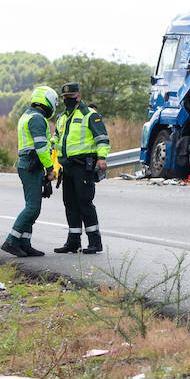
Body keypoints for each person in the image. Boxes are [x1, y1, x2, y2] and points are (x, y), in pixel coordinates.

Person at [52, 82, 110, 254]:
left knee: (85, 203)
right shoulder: (62, 118)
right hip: (67, 167)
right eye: (64, 98)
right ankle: (73, 242)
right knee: (69, 204)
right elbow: (57, 138)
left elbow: (102, 139)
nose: (67, 100)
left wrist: (101, 158)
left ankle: (95, 242)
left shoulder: (90, 115)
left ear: (79, 96)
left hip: (83, 166)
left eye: (70, 97)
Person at [1, 86, 58, 258]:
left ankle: (25, 243)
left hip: (29, 164)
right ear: (47, 100)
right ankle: (11, 240)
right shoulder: (37, 119)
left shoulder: (27, 115)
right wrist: (50, 169)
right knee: (33, 208)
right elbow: (41, 148)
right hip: (32, 165)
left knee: (31, 206)